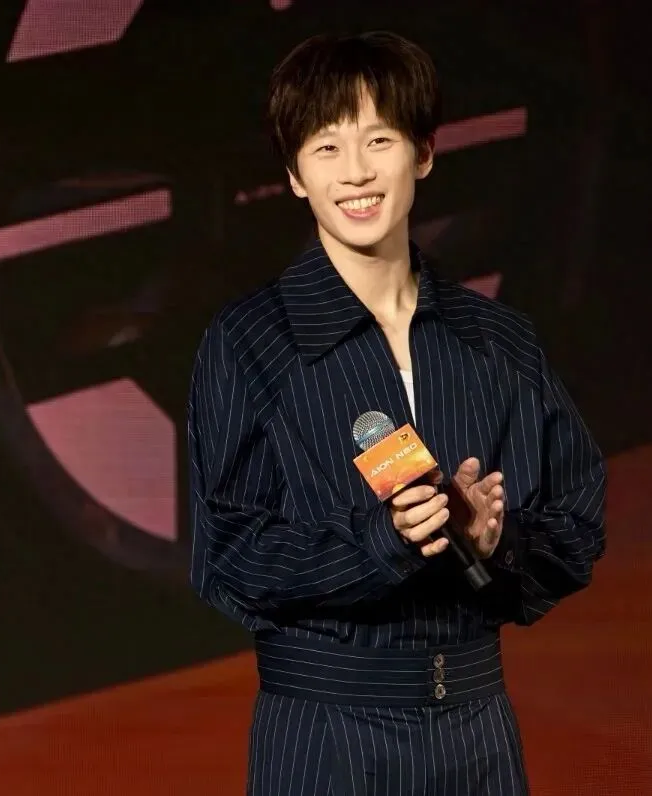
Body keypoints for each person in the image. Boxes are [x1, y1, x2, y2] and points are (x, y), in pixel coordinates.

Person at [187, 32, 606, 795]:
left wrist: (495, 540)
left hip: (477, 728)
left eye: (379, 139)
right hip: (325, 732)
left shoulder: (497, 340)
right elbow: (229, 556)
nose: (355, 171)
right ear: (294, 175)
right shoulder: (250, 341)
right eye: (326, 147)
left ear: (424, 153)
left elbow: (575, 524)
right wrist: (381, 540)